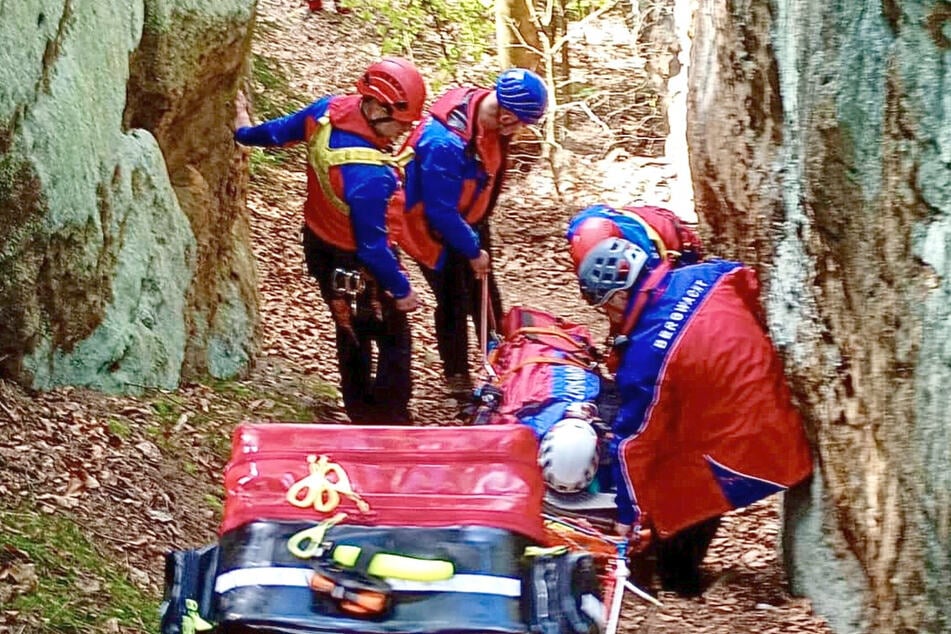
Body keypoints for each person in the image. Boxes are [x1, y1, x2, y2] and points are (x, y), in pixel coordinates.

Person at [566, 213, 813, 595]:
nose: (607, 316)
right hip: (775, 404)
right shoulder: (710, 275)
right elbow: (748, 284)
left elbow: (634, 444)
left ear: (618, 296)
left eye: (605, 307)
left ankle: (678, 580)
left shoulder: (647, 356)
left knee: (678, 481)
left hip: (763, 446)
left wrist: (627, 516)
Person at [234, 57, 427, 424]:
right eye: (400, 123)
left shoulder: (325, 113)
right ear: (376, 108)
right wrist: (402, 290)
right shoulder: (370, 176)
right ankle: (390, 421)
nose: (403, 132)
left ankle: (359, 412)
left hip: (320, 247)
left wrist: (244, 132)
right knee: (393, 339)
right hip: (361, 263)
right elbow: (373, 248)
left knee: (349, 328)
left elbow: (277, 133)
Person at [398, 68, 549, 400]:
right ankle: (457, 377)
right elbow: (440, 212)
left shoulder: (491, 113)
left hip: (470, 217)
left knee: (486, 293)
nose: (520, 130)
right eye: (520, 123)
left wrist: (477, 237)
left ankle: (501, 361)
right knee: (453, 298)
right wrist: (472, 251)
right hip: (429, 229)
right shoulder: (444, 143)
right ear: (505, 114)